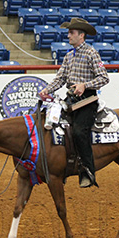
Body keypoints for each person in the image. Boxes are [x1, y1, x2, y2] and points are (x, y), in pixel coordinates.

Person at [39, 18, 110, 188]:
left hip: (87, 101)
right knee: (54, 127)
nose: (68, 36)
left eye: (71, 33)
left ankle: (88, 171)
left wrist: (85, 85)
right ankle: (61, 165)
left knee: (79, 132)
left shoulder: (91, 53)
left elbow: (104, 78)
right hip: (71, 101)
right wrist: (47, 90)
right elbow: (61, 78)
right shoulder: (69, 56)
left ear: (81, 35)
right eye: (69, 33)